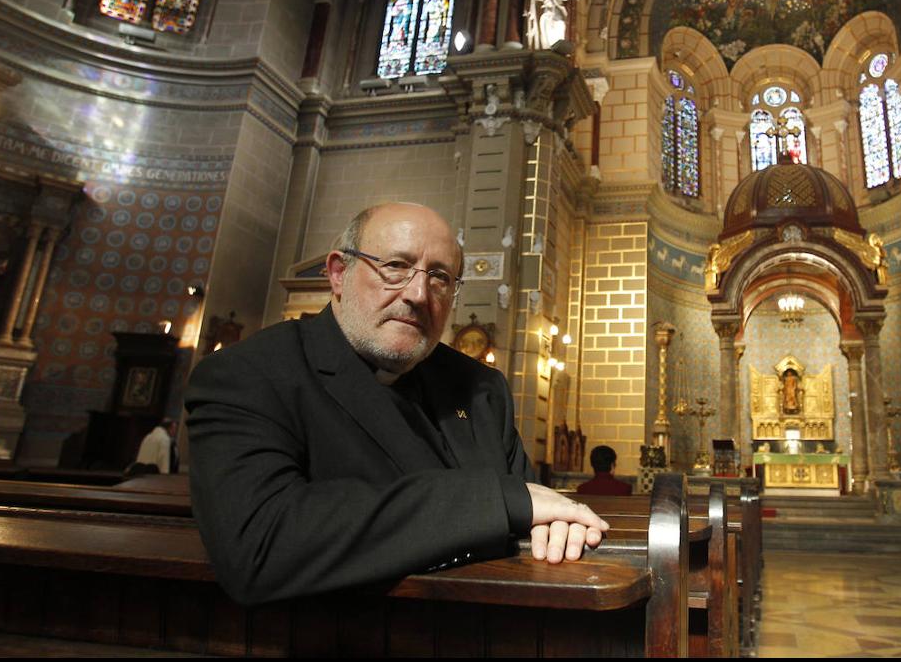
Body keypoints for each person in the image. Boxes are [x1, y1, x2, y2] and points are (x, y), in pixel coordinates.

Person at [185, 203, 608, 605]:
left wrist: (554, 523)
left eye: (440, 277)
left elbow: (536, 508)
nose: (419, 293)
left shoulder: (481, 388)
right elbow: (260, 547)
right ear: (338, 273)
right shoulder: (251, 374)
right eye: (396, 267)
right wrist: (497, 503)